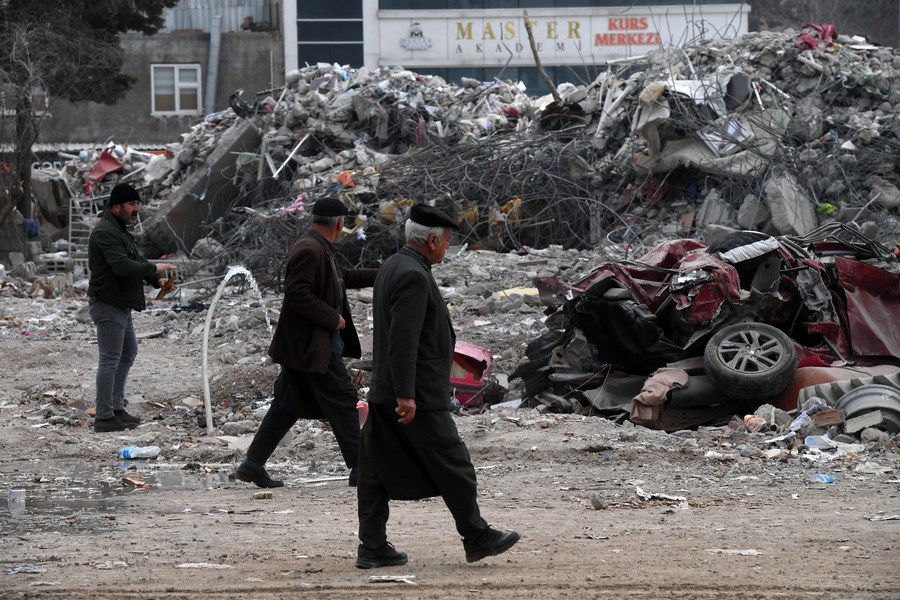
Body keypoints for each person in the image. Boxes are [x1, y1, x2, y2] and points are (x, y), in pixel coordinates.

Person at [356, 203, 520, 568]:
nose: (447, 246)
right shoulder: (413, 275)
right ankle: (476, 535)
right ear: (431, 240)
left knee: (375, 471)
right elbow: (403, 339)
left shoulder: (393, 266)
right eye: (445, 240)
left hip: (386, 389)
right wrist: (407, 394)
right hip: (415, 394)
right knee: (454, 462)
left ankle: (372, 546)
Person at [234, 197, 378, 488]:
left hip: (303, 349)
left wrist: (383, 274)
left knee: (287, 406)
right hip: (311, 348)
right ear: (339, 223)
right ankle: (362, 469)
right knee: (345, 401)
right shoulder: (310, 249)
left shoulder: (318, 247)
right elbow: (296, 293)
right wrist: (332, 318)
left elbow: (343, 277)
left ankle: (252, 465)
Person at [88, 182, 176, 433]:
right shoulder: (106, 232)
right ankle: (104, 417)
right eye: (131, 204)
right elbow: (122, 266)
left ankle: (116, 409)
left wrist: (156, 280)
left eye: (137, 203)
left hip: (120, 304)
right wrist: (154, 268)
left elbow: (134, 261)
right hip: (108, 304)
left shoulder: (120, 230)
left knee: (127, 354)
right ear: (116, 207)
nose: (136, 208)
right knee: (110, 359)